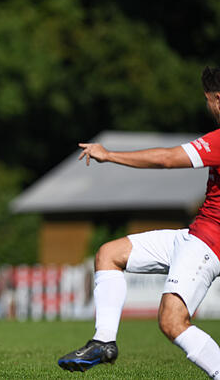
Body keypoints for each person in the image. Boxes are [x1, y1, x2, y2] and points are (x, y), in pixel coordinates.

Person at [57, 67, 220, 376]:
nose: (208, 108)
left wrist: (109, 155)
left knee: (172, 322)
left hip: (208, 244)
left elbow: (166, 159)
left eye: (208, 100)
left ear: (218, 99)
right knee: (109, 254)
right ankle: (103, 342)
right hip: (193, 235)